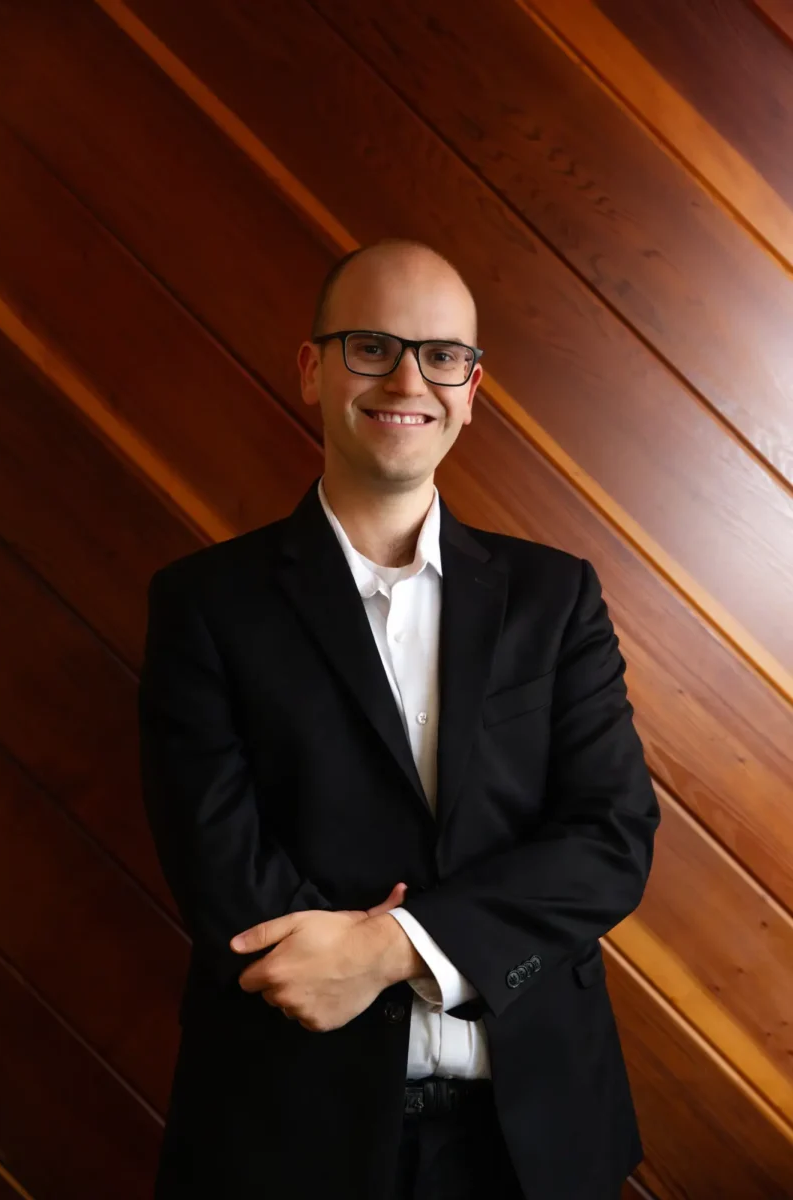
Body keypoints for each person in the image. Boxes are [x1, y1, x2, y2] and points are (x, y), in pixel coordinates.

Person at [138, 237, 661, 1200]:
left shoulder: (557, 598)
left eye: (441, 354)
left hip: (539, 1138)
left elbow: (610, 839)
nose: (407, 378)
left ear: (471, 389)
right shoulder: (204, 604)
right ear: (312, 369)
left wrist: (393, 947)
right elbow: (226, 877)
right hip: (289, 1134)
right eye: (371, 345)